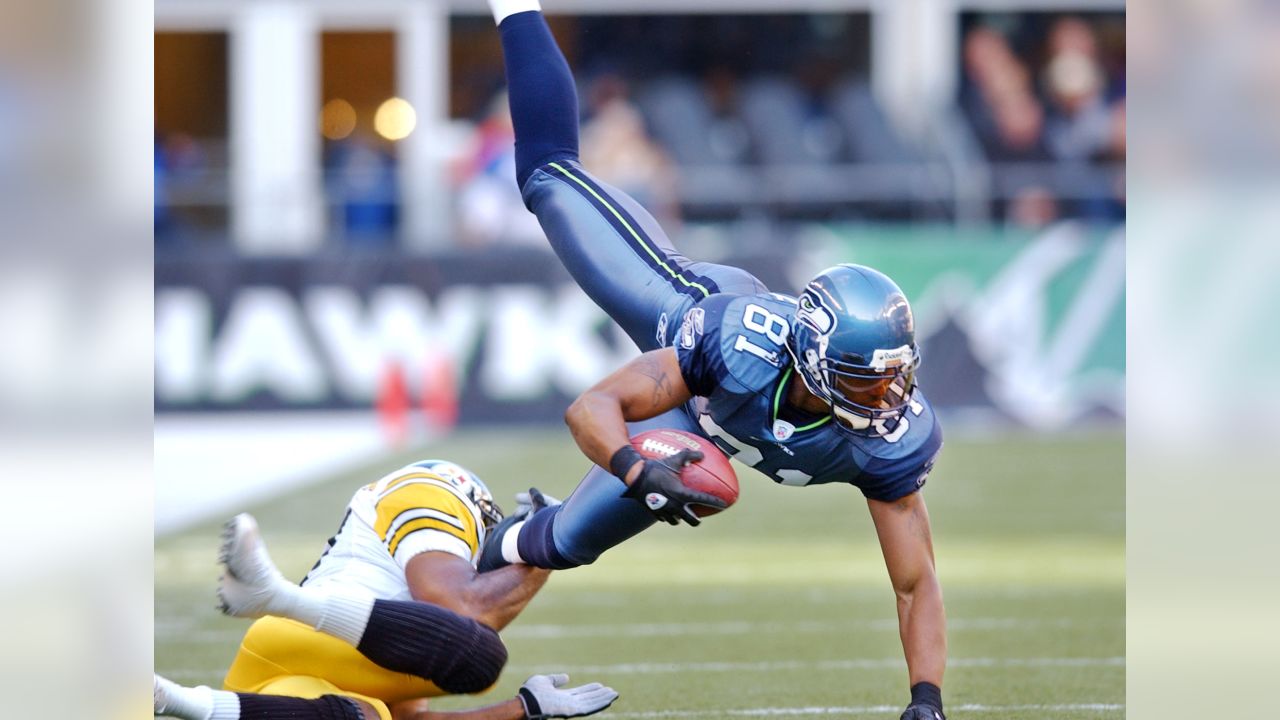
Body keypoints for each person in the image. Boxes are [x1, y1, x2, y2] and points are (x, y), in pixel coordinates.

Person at [473, 4, 947, 720]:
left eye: (893, 375)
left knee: (563, 543)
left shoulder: (887, 440)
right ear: (815, 362)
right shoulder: (733, 343)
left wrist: (927, 700)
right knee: (545, 177)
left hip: (704, 424)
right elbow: (591, 407)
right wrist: (637, 469)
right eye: (865, 378)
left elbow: (915, 583)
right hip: (677, 316)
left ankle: (499, 533)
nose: (886, 397)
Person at [155, 459, 618, 720]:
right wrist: (555, 543)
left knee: (369, 717)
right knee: (480, 655)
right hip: (296, 639)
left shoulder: (412, 635)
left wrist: (525, 708)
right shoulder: (436, 492)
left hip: (269, 692)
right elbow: (466, 610)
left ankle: (172, 699)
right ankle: (274, 595)